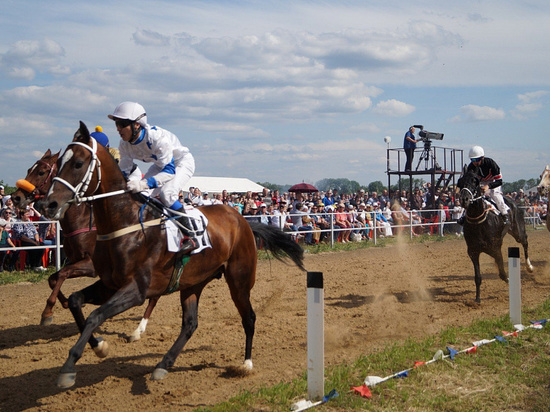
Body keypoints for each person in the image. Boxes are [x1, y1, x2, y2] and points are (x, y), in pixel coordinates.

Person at [108, 101, 198, 252]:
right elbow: (123, 172)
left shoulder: (157, 138)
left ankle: (191, 236)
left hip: (181, 163)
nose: (118, 128)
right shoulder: (124, 145)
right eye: (116, 124)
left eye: (122, 124)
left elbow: (169, 171)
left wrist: (143, 183)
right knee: (140, 195)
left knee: (167, 194)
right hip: (160, 165)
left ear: (136, 125)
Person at [466, 145, 510, 226]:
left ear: (482, 158)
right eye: (472, 160)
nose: (474, 162)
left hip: (494, 180)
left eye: (476, 159)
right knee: (471, 196)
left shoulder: (490, 163)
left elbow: (499, 181)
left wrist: (488, 186)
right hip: (481, 182)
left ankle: (505, 215)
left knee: (495, 194)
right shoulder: (471, 167)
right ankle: (464, 216)